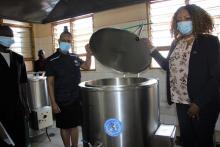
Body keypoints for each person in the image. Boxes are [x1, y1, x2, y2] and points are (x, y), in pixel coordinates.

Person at [147, 4, 220, 147]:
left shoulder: (209, 42)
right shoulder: (176, 43)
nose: (182, 22)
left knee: (202, 140)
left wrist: (199, 103)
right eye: (179, 19)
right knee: (187, 139)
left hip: (202, 103)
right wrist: (152, 50)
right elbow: (167, 66)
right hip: (181, 102)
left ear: (198, 19)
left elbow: (216, 76)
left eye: (187, 18)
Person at [45, 27, 92, 147]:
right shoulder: (51, 60)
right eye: (64, 40)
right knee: (65, 127)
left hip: (76, 98)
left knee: (75, 125)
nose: (66, 43)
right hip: (61, 100)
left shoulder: (74, 57)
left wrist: (89, 53)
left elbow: (86, 66)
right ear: (59, 41)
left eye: (69, 41)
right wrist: (53, 103)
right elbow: (50, 83)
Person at [0, 25, 30, 147]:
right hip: (1, 108)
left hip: (18, 107)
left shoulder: (19, 58)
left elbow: (23, 83)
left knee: (20, 138)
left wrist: (26, 104)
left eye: (11, 36)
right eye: (6, 36)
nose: (9, 38)